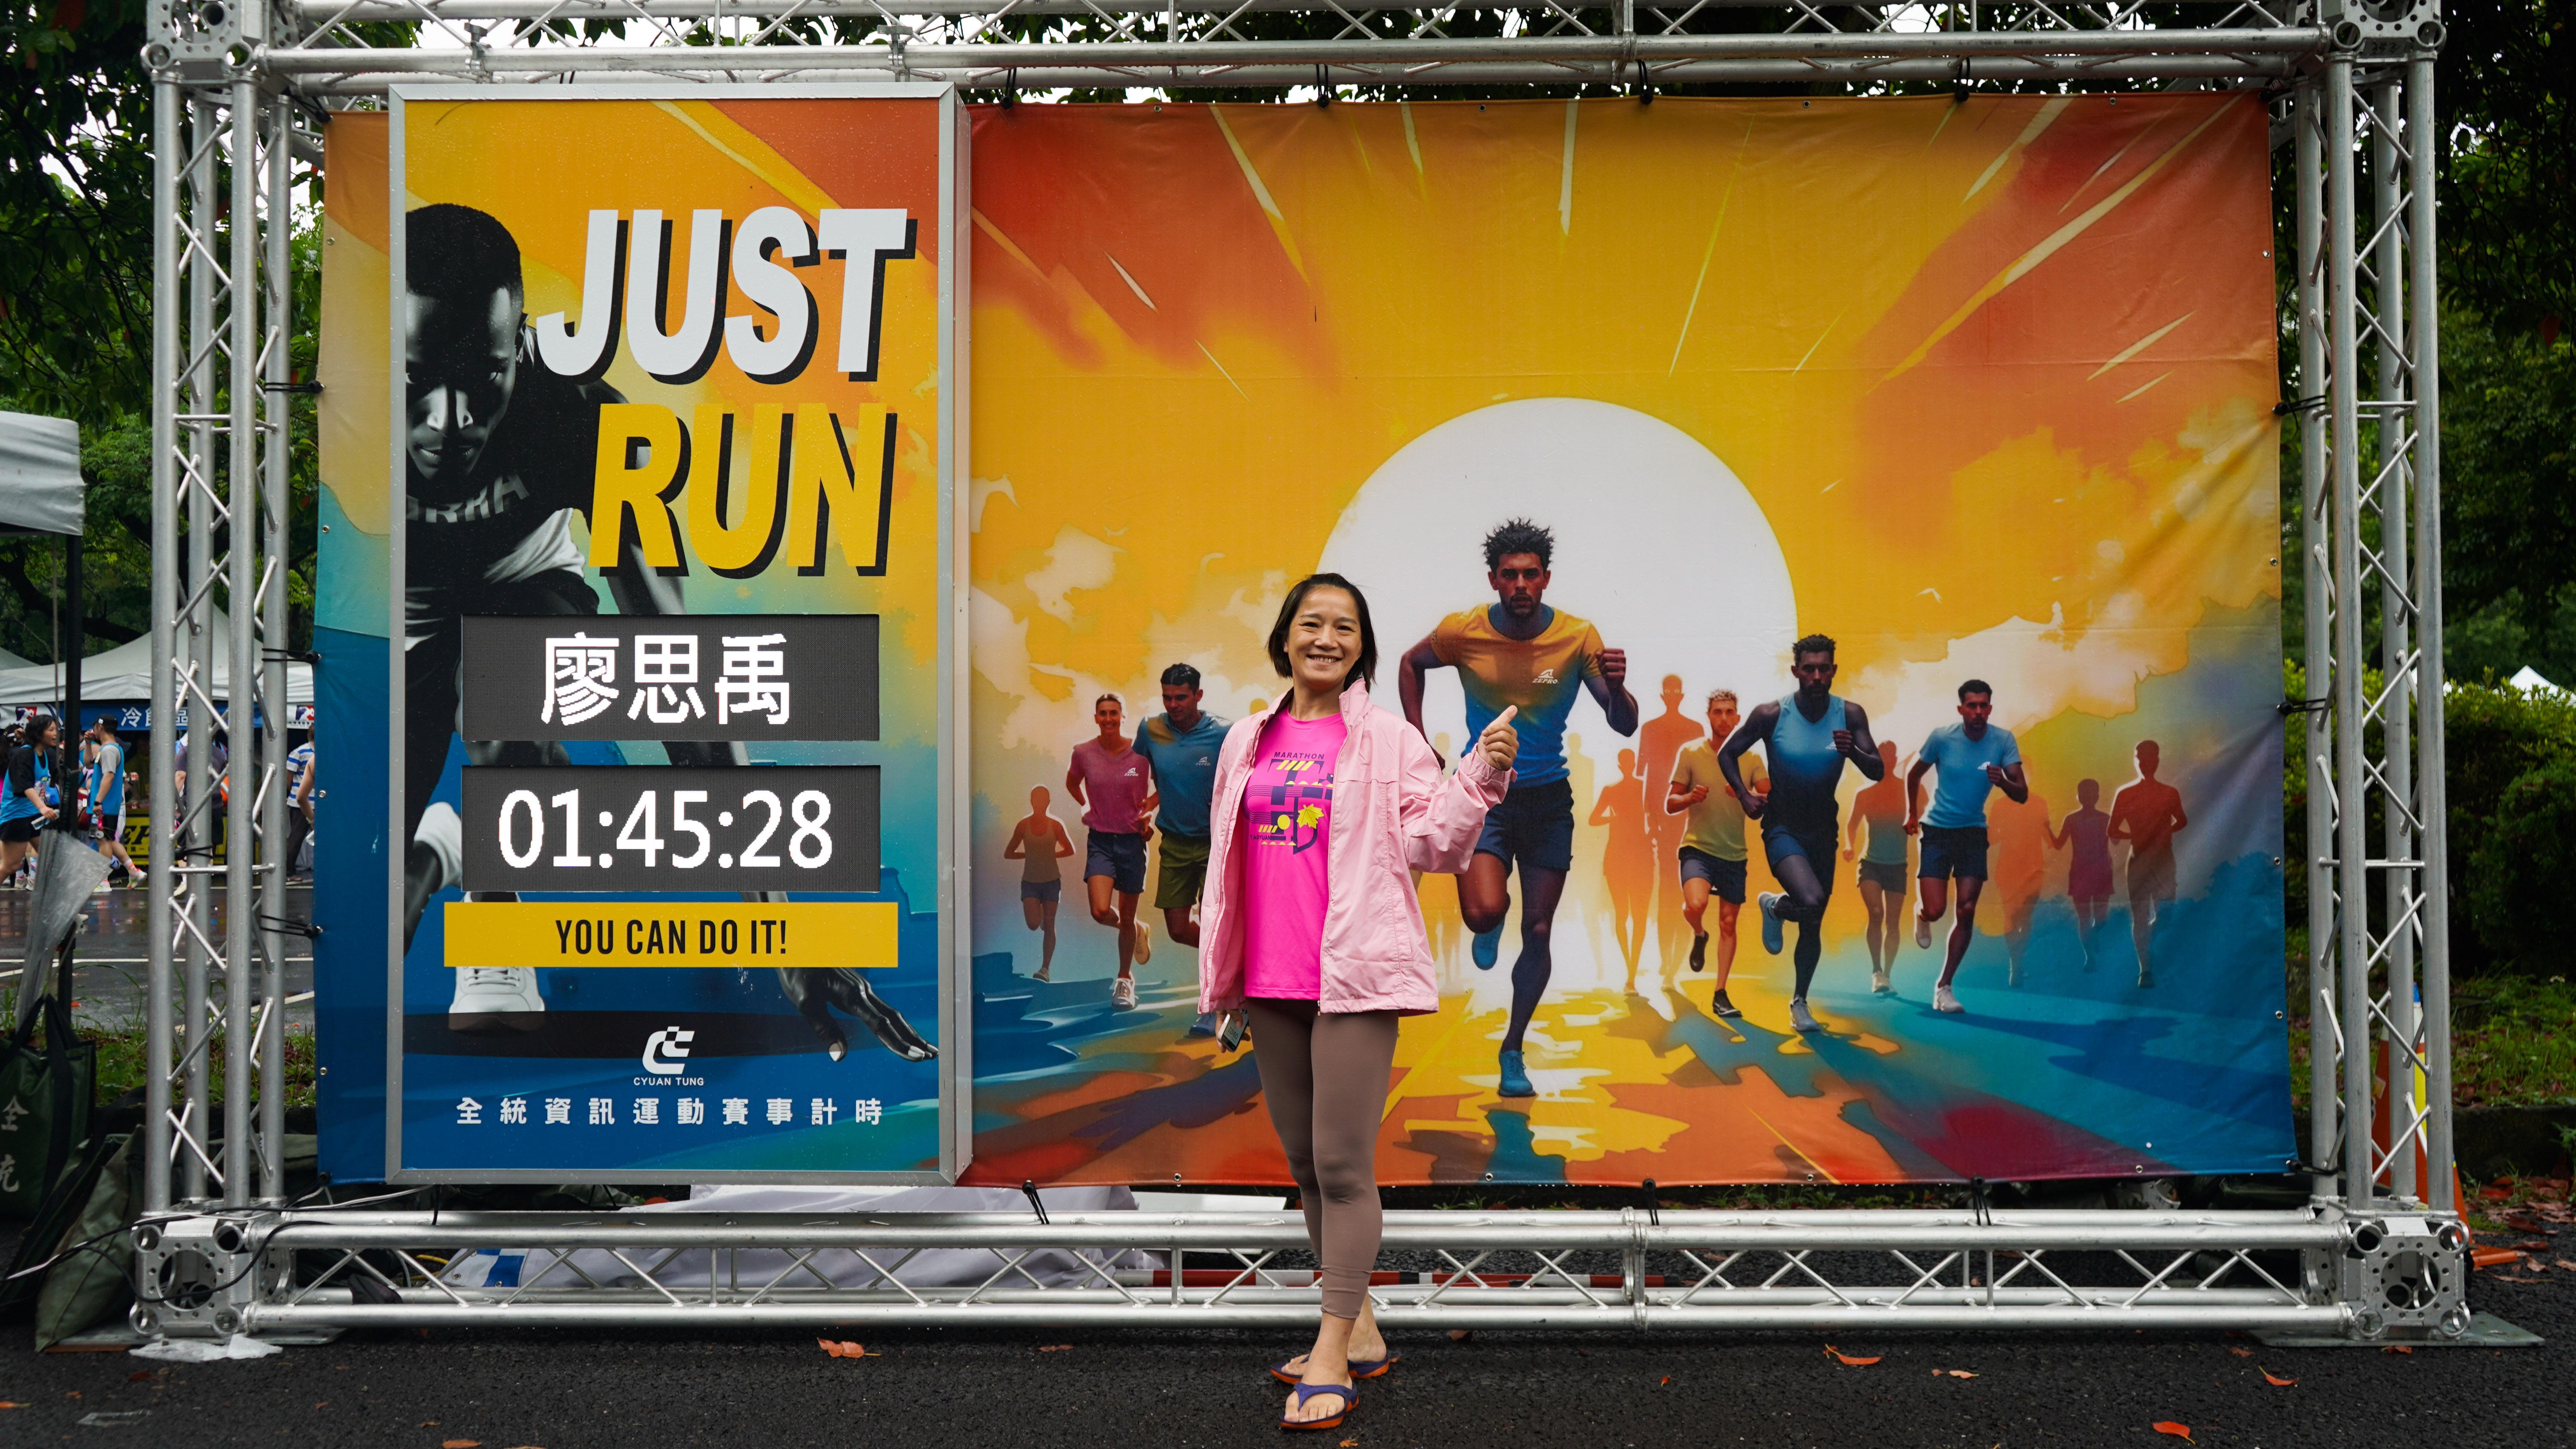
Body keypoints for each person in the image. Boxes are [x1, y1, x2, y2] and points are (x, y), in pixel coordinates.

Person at [396, 204, 931, 1058]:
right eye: (417, 378)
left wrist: (779, 926)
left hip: (527, 592)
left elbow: (677, 670)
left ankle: (493, 909)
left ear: (523, 344)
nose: (449, 418)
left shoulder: (587, 420)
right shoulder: (359, 422)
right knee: (384, 886)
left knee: (505, 690)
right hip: (413, 623)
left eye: (483, 376)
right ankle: (451, 843)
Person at [1197, 572, 1516, 1431]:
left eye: (1345, 627)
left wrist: (1481, 773)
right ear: (1286, 637)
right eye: (1312, 623)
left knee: (1341, 1166)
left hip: (1354, 976)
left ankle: (1332, 1350)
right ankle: (1363, 1326)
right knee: (1305, 1165)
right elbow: (1231, 861)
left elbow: (1434, 844)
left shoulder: (1388, 738)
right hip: (1269, 979)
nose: (1326, 638)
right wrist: (1224, 973)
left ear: (1361, 647)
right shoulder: (1246, 739)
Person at [1398, 518, 1635, 1098]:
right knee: (1484, 914)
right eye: (1510, 575)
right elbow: (1409, 664)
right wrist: (1418, 738)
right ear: (1494, 579)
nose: (1521, 584)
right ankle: (1491, 917)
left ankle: (1512, 1048)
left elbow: (1624, 724)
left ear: (1546, 577)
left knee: (1539, 928)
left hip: (1548, 799)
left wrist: (1620, 687)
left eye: (1531, 574)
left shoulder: (1578, 637)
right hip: (1483, 791)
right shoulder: (1463, 631)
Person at [1718, 634, 1884, 1034]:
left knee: (1813, 920)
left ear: (1834, 671)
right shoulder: (1771, 714)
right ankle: (1777, 907)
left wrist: (1853, 751)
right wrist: (1744, 795)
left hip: (1823, 829)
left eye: (1824, 669)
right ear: (1796, 671)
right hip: (1783, 826)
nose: (1816, 676)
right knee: (1810, 900)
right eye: (1808, 669)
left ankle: (1799, 1001)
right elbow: (1727, 753)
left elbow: (1877, 770)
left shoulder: (1850, 714)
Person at [1904, 679, 2028, 1014]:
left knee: (1967, 910)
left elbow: (2022, 793)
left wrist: (2003, 781)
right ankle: (1922, 914)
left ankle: (1944, 987)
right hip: (1937, 830)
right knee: (1936, 910)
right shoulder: (1942, 737)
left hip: (1973, 832)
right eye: (1972, 706)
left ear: (1990, 708)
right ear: (1961, 709)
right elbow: (1913, 774)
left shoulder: (2003, 740)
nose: (1978, 711)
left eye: (1984, 705)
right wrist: (1912, 813)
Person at [1135, 663, 1230, 1036]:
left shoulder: (1224, 732)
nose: (1173, 705)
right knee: (1178, 929)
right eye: (1167, 697)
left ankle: (1214, 1006)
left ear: (1198, 696)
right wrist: (1142, 810)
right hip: (1174, 842)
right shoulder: (1150, 730)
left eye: (1181, 697)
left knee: (1213, 924)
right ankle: (1236, 960)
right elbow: (1138, 776)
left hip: (1215, 844)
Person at [1665, 689, 1765, 1015]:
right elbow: (1670, 803)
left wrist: (1745, 793)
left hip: (1734, 853)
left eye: (1729, 712)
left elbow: (1771, 798)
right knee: (1696, 904)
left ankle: (1720, 993)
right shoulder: (1691, 752)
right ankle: (1699, 933)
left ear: (1738, 719)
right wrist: (1689, 797)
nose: (1724, 718)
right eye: (1718, 712)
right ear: (1709, 717)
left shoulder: (1752, 758)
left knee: (1728, 924)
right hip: (1698, 848)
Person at [1066, 694, 1155, 1010]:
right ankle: (1136, 929)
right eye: (1103, 713)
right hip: (1101, 841)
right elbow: (1072, 783)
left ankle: (1124, 980)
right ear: (1096, 717)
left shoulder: (1141, 754)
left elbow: (1164, 786)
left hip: (1133, 842)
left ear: (1123, 716)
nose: (1108, 719)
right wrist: (1085, 805)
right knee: (1100, 911)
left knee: (1126, 915)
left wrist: (1149, 811)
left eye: (1114, 713)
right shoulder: (1083, 753)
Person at [1635, 674, 1703, 982]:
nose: (1673, 694)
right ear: (1664, 695)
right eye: (1669, 690)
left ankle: (1674, 962)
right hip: (1666, 820)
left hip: (1690, 818)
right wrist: (1650, 818)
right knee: (1668, 890)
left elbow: (1703, 774)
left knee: (1687, 888)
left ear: (1680, 695)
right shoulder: (1651, 729)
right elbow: (1647, 775)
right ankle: (1668, 961)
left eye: (1677, 690)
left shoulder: (1695, 729)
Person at [2109, 741, 2188, 987]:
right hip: (2138, 861)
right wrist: (2135, 836)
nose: (2145, 763)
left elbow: (2182, 820)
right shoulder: (2125, 794)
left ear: (2157, 761)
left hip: (2164, 860)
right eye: (2141, 758)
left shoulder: (2169, 793)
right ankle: (2145, 970)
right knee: (2140, 915)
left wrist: (2165, 832)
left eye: (2150, 758)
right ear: (2136, 761)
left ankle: (2148, 943)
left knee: (2166, 915)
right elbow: (2112, 830)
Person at [1842, 740, 1908, 994]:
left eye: (1891, 757)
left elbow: (1925, 815)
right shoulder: (1865, 793)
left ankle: (1888, 975)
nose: (1887, 761)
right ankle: (1877, 972)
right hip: (1870, 863)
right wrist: (1849, 845)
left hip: (1898, 865)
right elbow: (1852, 824)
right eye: (1882, 757)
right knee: (1877, 913)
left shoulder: (1907, 791)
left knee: (1893, 922)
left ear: (1895, 760)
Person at [1587, 748, 1652, 992]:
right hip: (1625, 856)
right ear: (1627, 765)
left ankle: (1631, 972)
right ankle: (1631, 971)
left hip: (1630, 855)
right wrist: (1613, 819)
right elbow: (1593, 819)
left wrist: (1613, 819)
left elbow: (1594, 819)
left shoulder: (1622, 790)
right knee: (1628, 915)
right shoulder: (1628, 790)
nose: (1628, 766)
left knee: (1629, 915)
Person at [1002, 785, 1075, 981]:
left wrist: (1050, 855)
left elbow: (1070, 850)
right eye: (1037, 799)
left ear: (1048, 802)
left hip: (1052, 881)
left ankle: (1045, 969)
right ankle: (1040, 913)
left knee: (1050, 924)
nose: (1040, 803)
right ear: (1032, 801)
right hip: (1030, 882)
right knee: (1034, 924)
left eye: (1044, 799)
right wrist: (1029, 855)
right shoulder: (1023, 826)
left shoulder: (1056, 825)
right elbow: (1008, 853)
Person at [2048, 778, 2115, 971]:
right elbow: (2059, 845)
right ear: (2080, 797)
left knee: (2097, 919)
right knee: (2089, 918)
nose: (2088, 798)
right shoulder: (2076, 819)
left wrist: (2047, 829)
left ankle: (2091, 944)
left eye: (2091, 794)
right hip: (2086, 872)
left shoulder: (2105, 819)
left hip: (2097, 872)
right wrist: (2047, 829)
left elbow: (2117, 840)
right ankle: (2089, 957)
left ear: (2097, 797)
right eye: (2086, 794)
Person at [0, 713, 63, 882]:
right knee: (10, 866)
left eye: (56, 730)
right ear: (38, 733)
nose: (56, 734)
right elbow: (24, 785)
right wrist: (43, 807)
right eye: (51, 730)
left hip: (33, 816)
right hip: (17, 816)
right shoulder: (25, 754)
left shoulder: (44, 754)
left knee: (51, 859)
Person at [88, 719, 136, 886]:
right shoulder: (113, 749)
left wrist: (98, 801)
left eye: (95, 728)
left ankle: (103, 881)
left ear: (100, 727)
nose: (93, 731)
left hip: (105, 805)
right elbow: (88, 763)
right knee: (108, 840)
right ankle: (134, 871)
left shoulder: (109, 750)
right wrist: (89, 744)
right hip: (108, 804)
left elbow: (108, 776)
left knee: (103, 841)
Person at [284, 728, 316, 882]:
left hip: (316, 802)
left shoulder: (322, 753)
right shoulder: (300, 752)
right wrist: (293, 792)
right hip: (301, 804)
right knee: (296, 837)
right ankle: (288, 872)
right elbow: (288, 777)